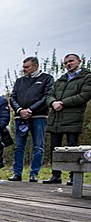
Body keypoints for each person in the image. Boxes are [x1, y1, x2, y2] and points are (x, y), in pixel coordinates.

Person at [43, 54, 91, 185]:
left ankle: (73, 176)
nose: (68, 64)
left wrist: (63, 103)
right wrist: (53, 102)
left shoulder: (87, 77)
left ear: (79, 61)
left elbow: (84, 95)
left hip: (73, 117)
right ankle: (55, 175)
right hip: (56, 118)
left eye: (71, 61)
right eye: (65, 62)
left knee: (73, 147)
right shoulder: (60, 80)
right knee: (54, 147)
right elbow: (49, 95)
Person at [8, 57, 55, 182]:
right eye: (23, 67)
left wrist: (31, 110)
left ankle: (34, 173)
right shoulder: (19, 81)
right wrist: (19, 110)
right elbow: (12, 97)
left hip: (38, 117)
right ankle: (17, 173)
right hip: (20, 117)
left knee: (38, 146)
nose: (24, 70)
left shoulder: (47, 79)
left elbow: (47, 97)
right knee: (19, 146)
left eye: (27, 67)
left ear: (35, 66)